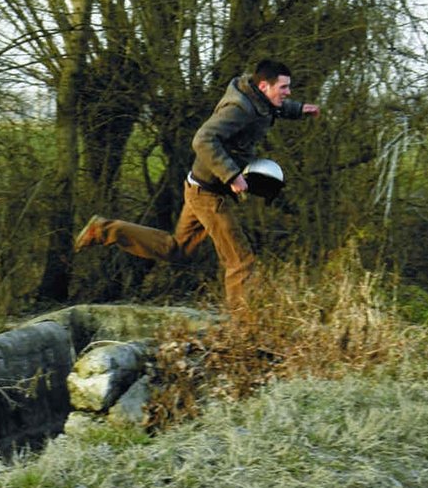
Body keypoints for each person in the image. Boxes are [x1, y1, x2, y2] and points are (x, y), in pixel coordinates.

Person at [73, 59, 320, 318]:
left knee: (176, 250)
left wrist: (300, 109)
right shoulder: (239, 108)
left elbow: (276, 107)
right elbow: (203, 139)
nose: (288, 92)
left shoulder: (260, 100)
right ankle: (241, 327)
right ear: (263, 85)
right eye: (284, 88)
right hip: (209, 193)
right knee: (240, 259)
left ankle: (102, 230)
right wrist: (232, 175)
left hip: (200, 187)